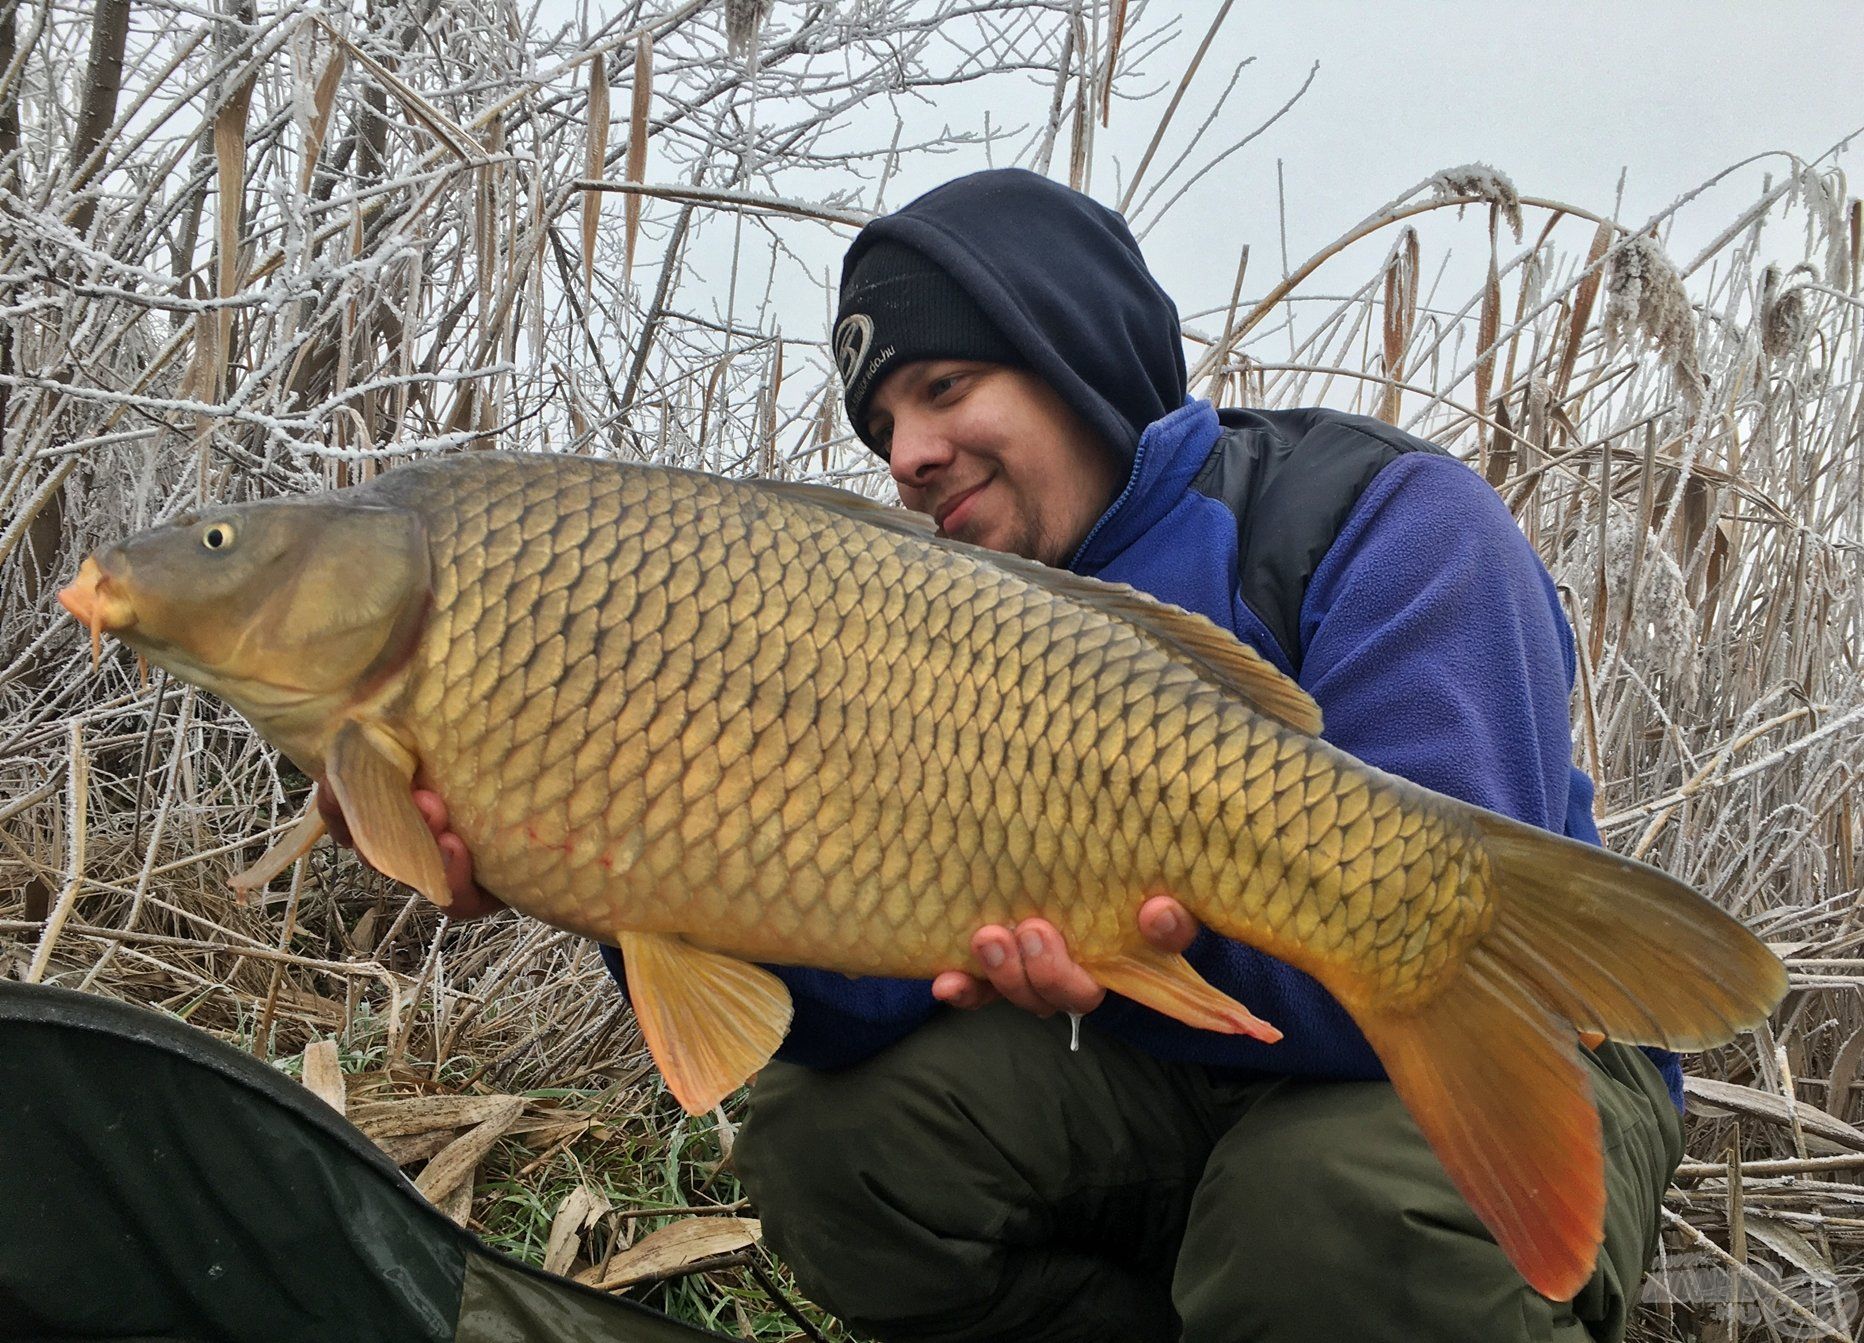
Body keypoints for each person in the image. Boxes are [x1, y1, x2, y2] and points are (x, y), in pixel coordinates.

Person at [329, 170, 1685, 1342]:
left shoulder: (1373, 513)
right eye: (881, 429)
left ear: (1074, 348)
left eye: (943, 386)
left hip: (1502, 1035)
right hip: (1171, 1062)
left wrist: (1138, 959)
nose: (909, 455)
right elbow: (859, 1012)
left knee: (1320, 1219)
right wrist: (609, 871)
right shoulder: (919, 628)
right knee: (832, 1151)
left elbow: (1429, 941)